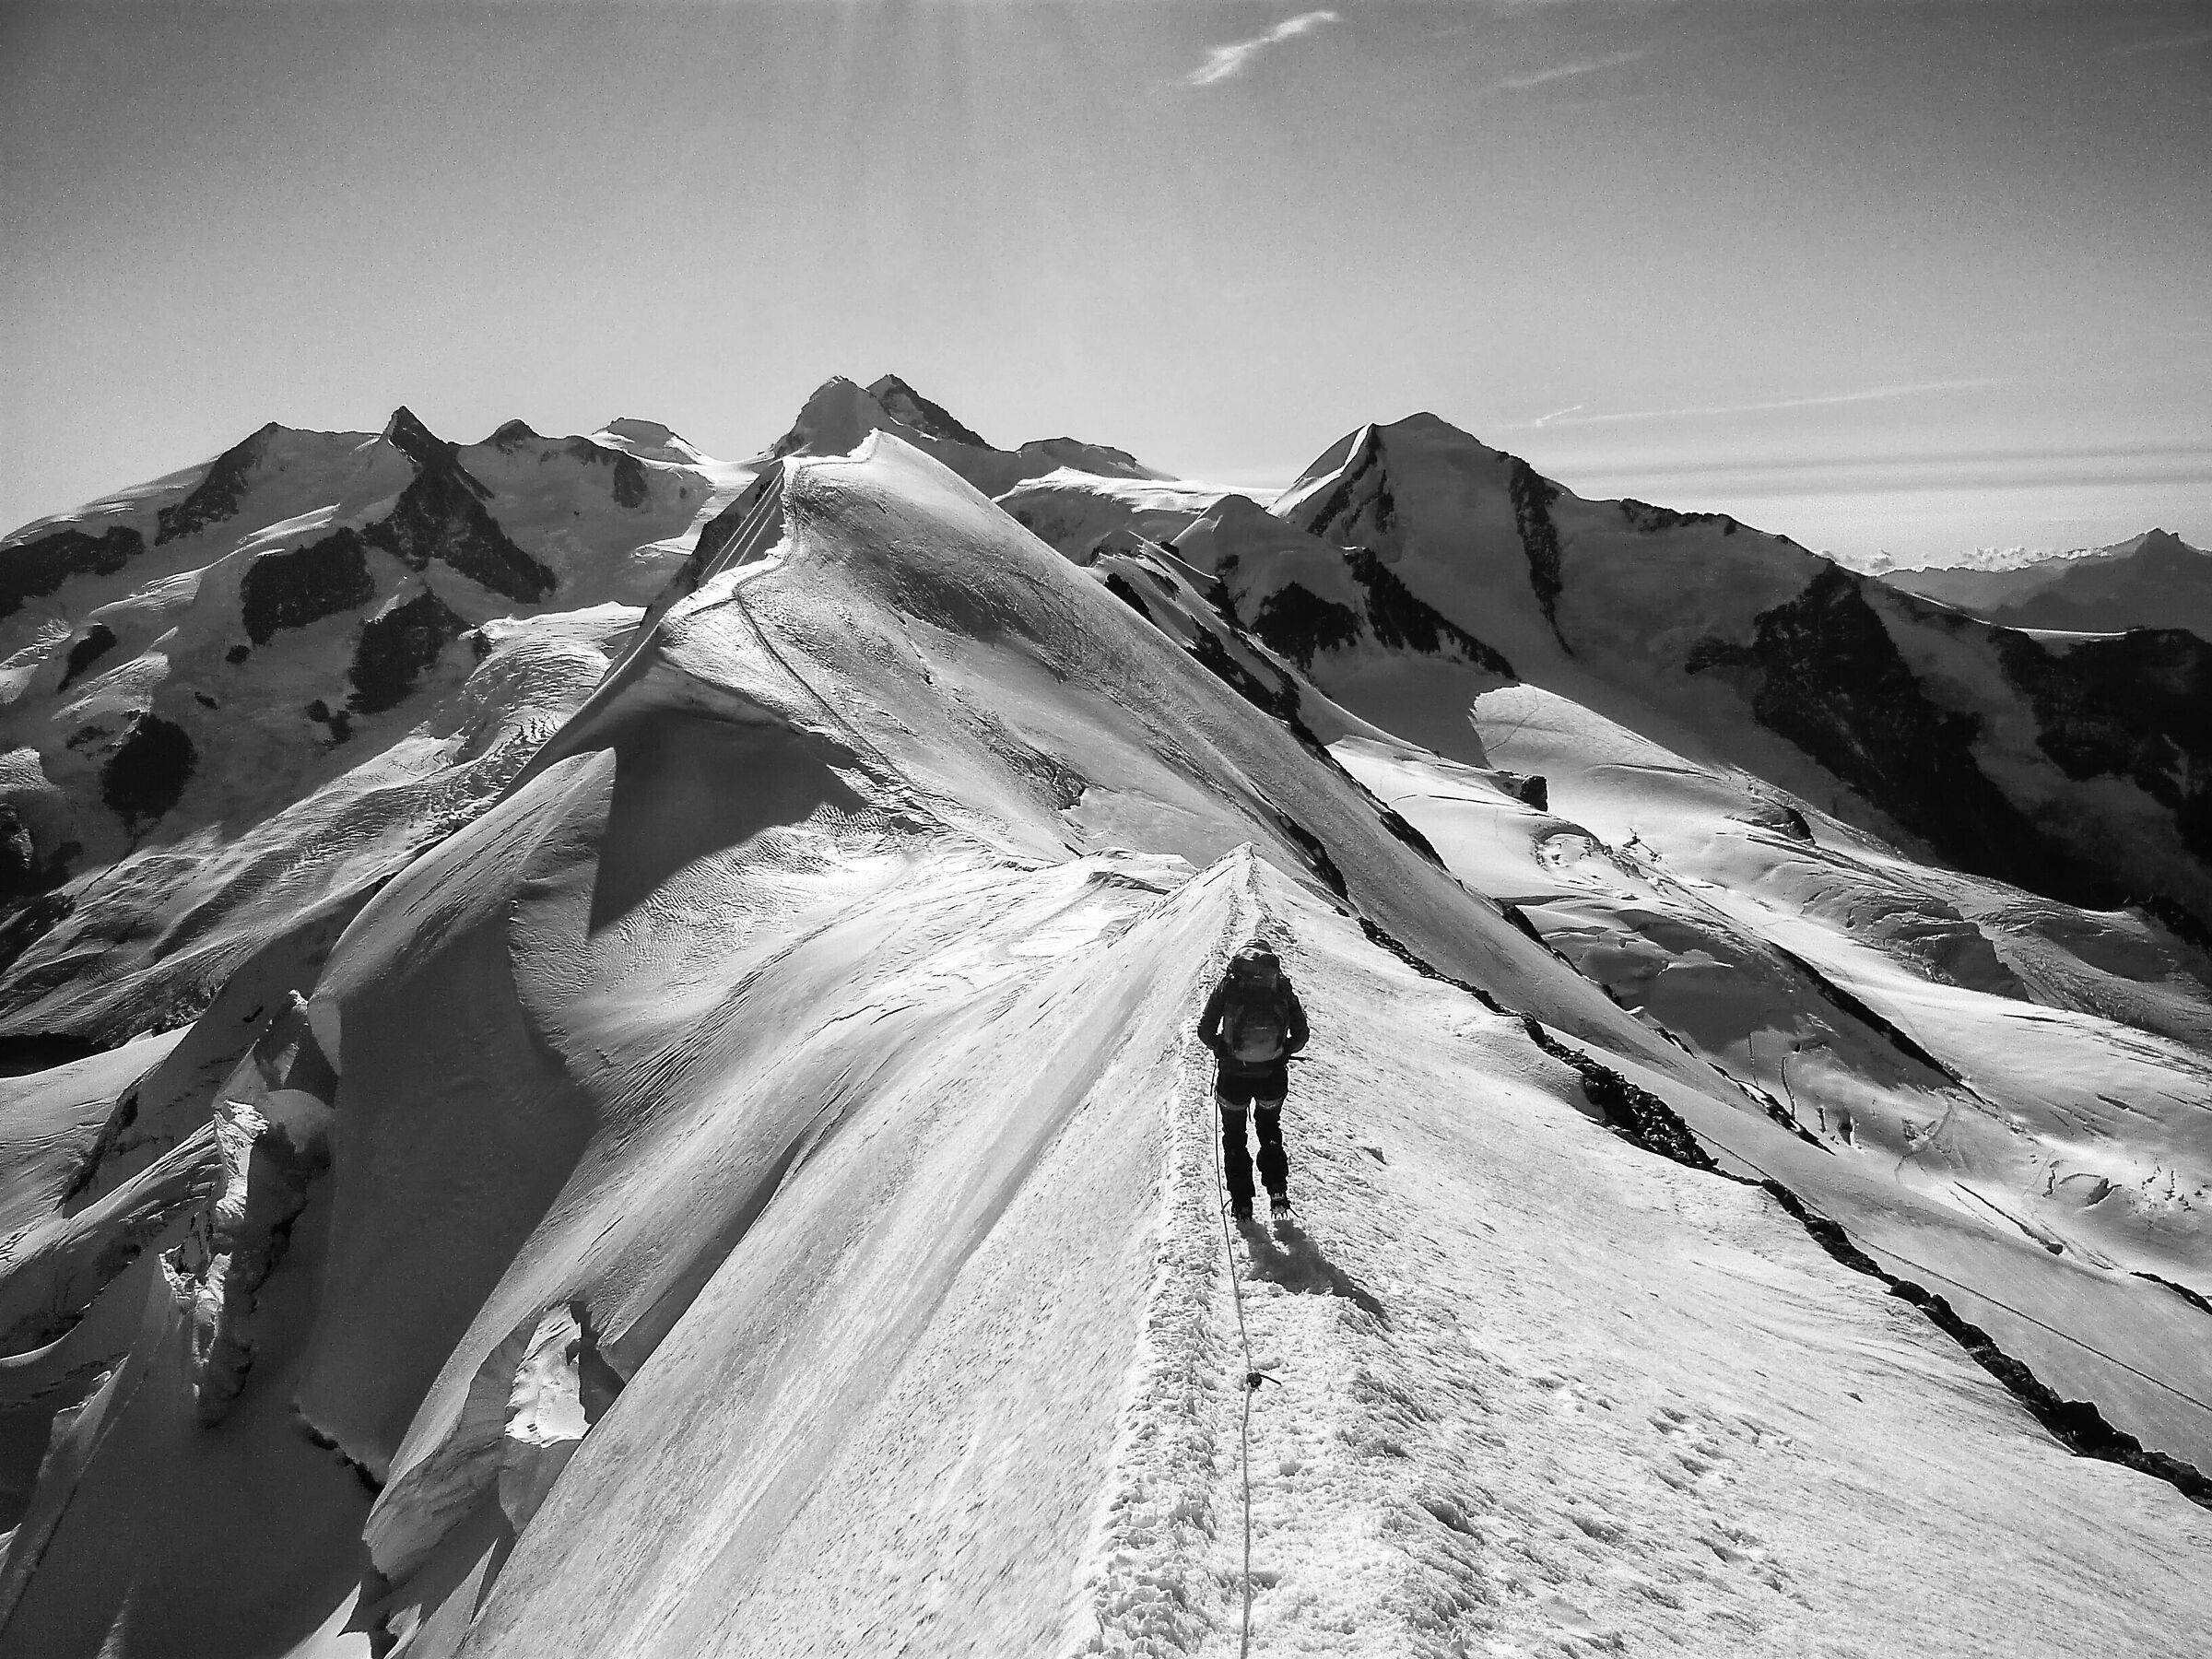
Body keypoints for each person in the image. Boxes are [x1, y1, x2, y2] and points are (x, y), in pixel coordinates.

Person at [1198, 942, 1310, 1220]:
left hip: (1232, 1077)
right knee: (1269, 1128)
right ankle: (1277, 1191)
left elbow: (1204, 1030)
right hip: (1271, 1077)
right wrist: (1282, 1051)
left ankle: (1242, 1202)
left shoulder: (1230, 985)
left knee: (1234, 1136)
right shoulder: (1280, 987)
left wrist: (1223, 1050)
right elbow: (1301, 1036)